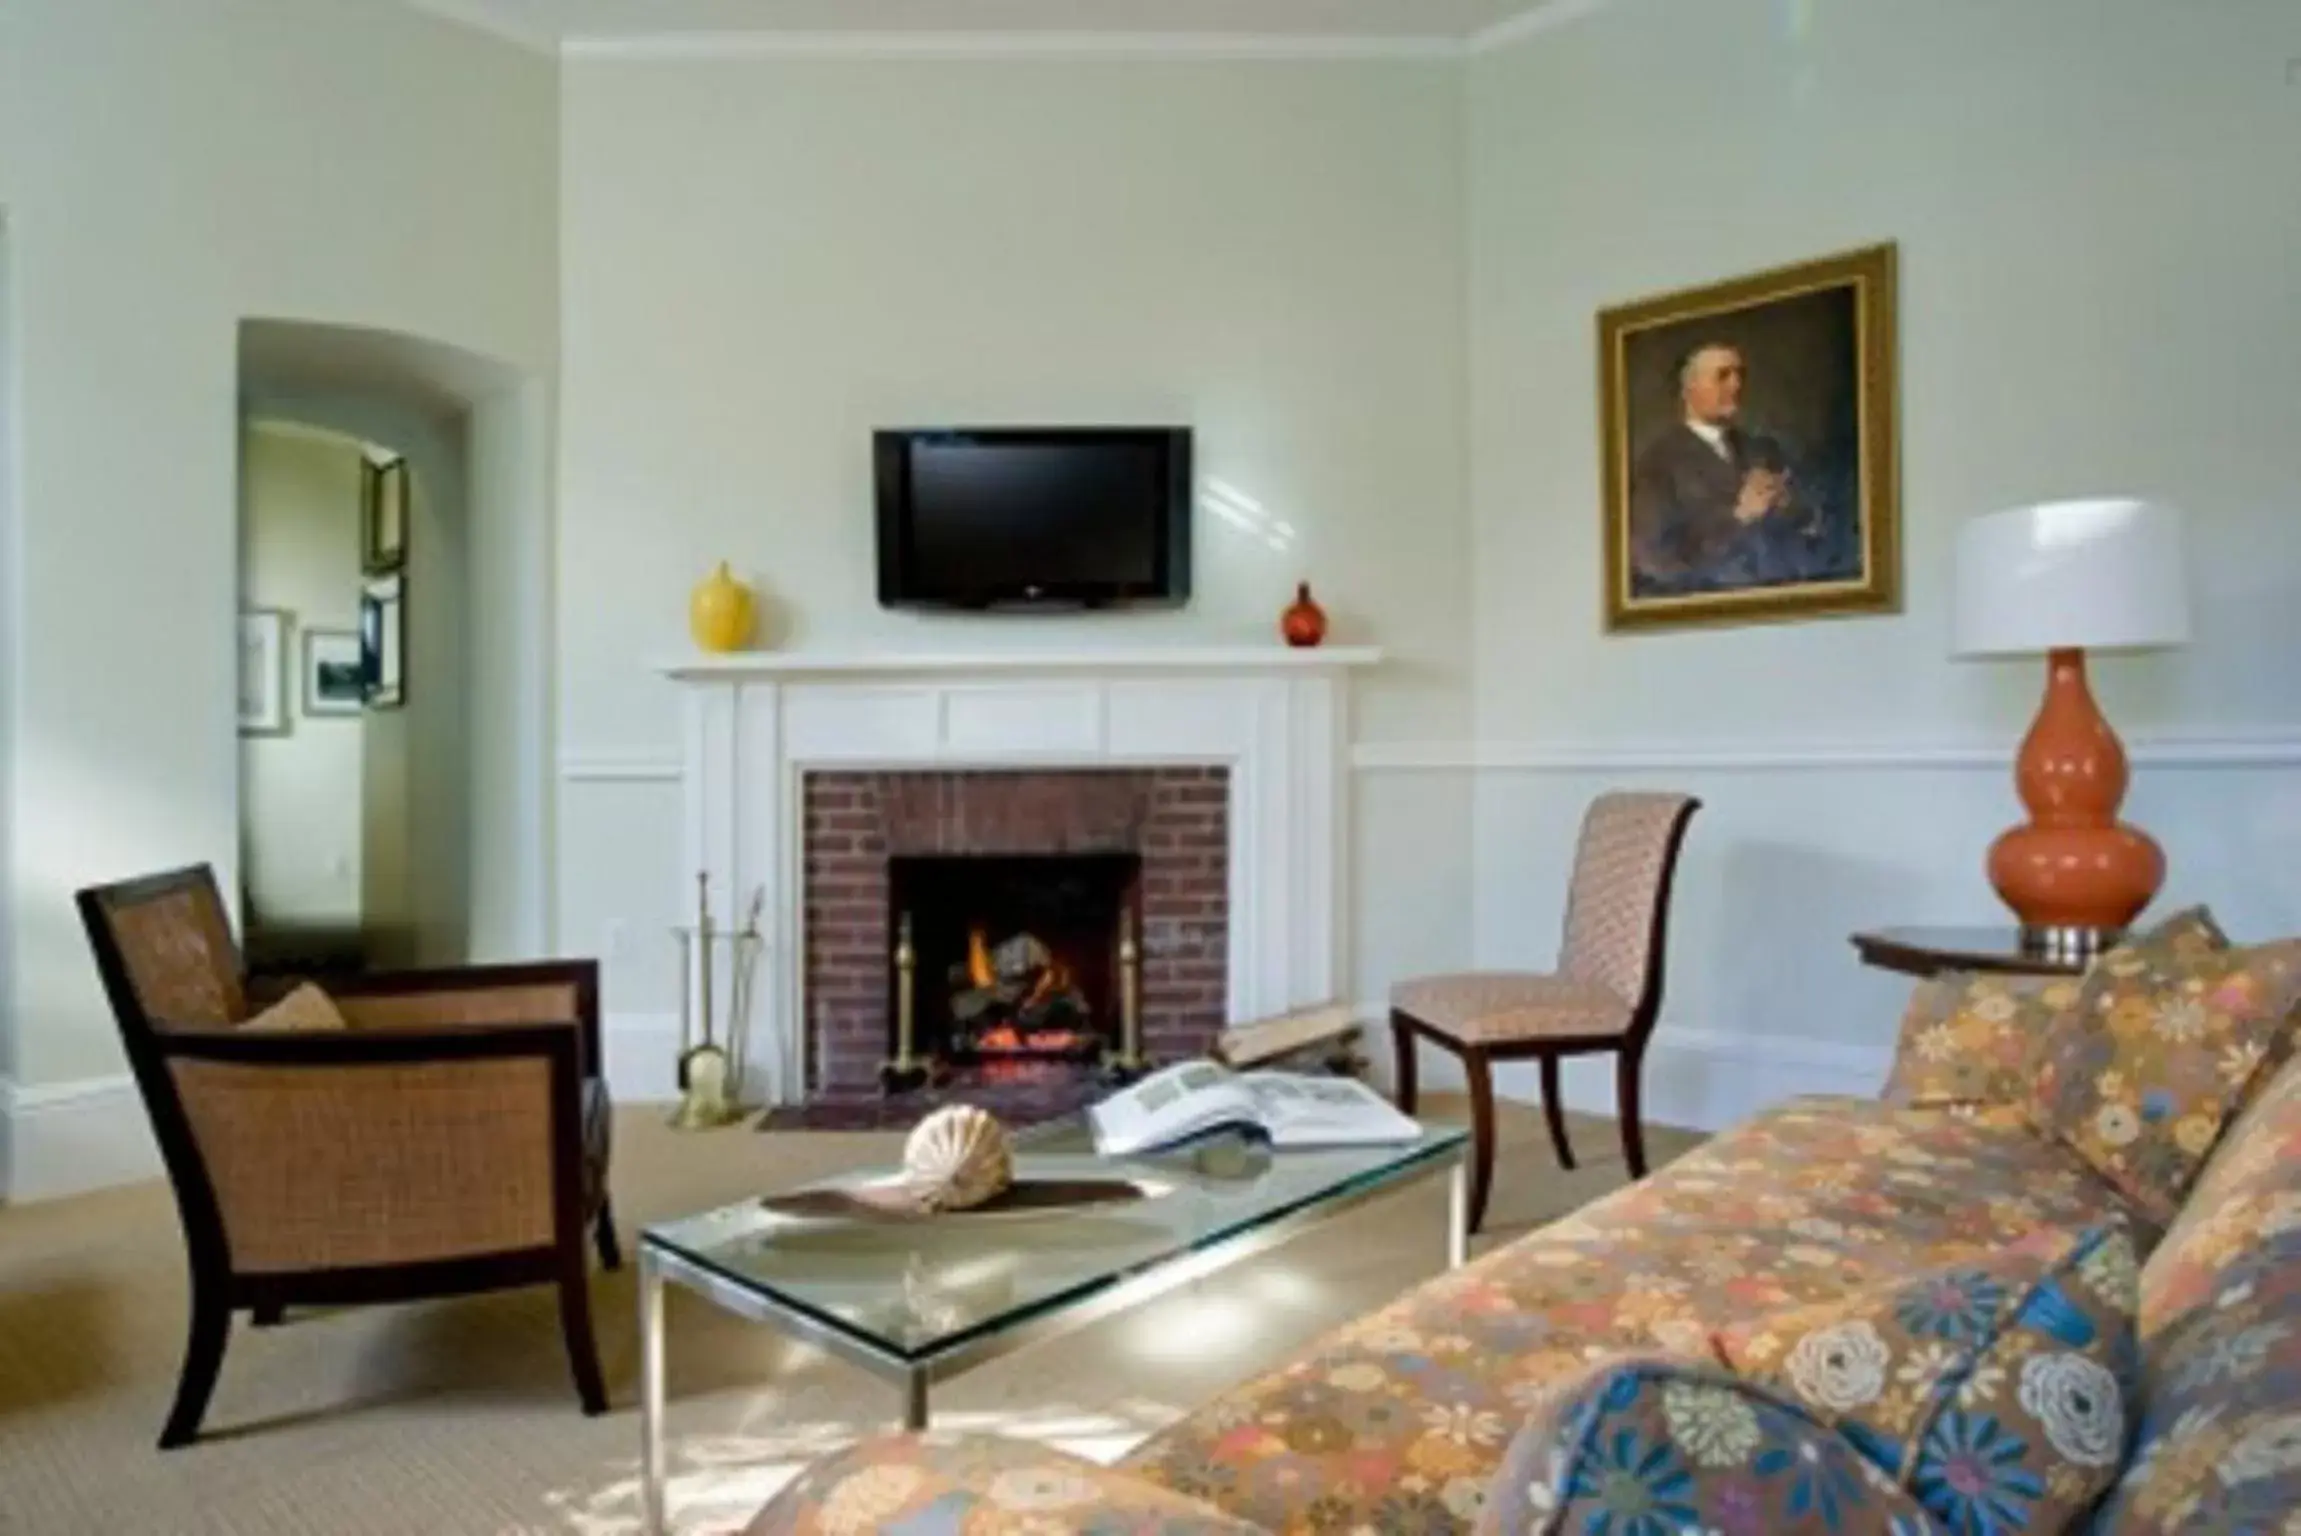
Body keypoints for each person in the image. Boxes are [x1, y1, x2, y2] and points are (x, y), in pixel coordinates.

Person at [1628, 342, 1837, 595]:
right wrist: (1739, 517)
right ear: (1689, 389)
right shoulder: (1659, 461)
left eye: (1739, 375)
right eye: (1722, 376)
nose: (1736, 385)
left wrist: (1789, 505)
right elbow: (1655, 561)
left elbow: (1814, 528)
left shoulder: (1763, 449)